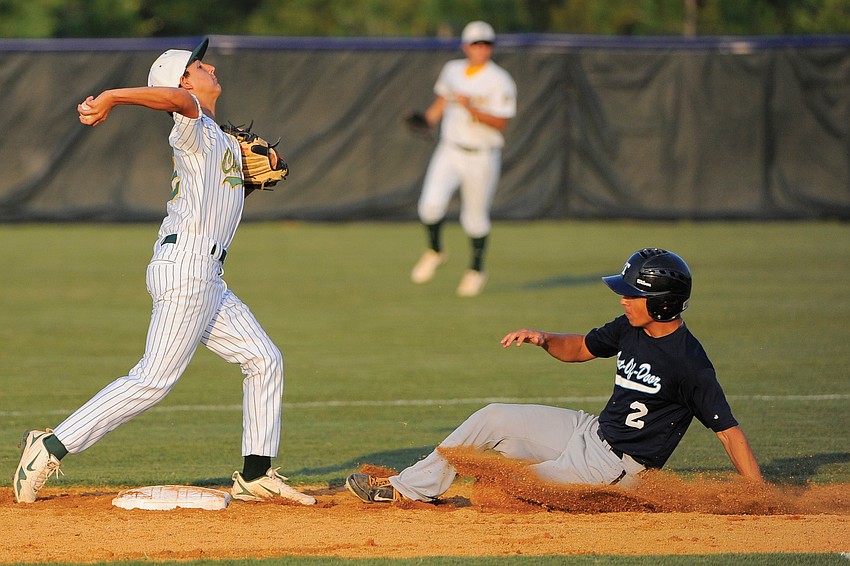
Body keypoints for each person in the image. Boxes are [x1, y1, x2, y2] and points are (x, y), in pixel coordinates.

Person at [13, 38, 315, 505]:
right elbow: (176, 101)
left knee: (264, 359)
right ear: (182, 81)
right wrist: (112, 95)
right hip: (186, 268)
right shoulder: (189, 122)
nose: (209, 66)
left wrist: (250, 182)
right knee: (153, 379)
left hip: (207, 275)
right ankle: (49, 449)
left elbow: (217, 202)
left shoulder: (221, 141)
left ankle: (257, 473)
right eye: (198, 65)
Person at [346, 248, 763, 503]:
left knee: (502, 490)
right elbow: (581, 348)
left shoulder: (690, 364)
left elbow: (729, 433)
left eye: (633, 293)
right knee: (493, 416)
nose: (623, 299)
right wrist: (544, 338)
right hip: (590, 433)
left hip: (616, 470)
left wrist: (762, 498)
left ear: (663, 304)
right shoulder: (630, 327)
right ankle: (408, 490)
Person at [409, 20, 517, 297]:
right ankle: (435, 251)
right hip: (450, 149)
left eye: (486, 44)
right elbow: (445, 100)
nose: (481, 49)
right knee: (429, 206)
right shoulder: (452, 70)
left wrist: (473, 109)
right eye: (475, 43)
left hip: (481, 155)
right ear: (465, 45)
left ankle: (476, 270)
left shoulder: (499, 79)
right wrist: (428, 120)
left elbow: (502, 122)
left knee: (475, 219)